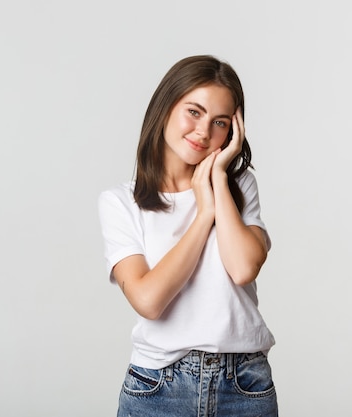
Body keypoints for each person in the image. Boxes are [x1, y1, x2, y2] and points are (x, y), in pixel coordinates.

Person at [98, 55, 278, 416]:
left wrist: (217, 185)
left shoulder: (240, 187)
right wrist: (203, 215)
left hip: (244, 385)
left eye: (220, 122)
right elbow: (148, 300)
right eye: (193, 112)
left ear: (233, 132)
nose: (203, 132)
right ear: (165, 108)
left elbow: (243, 268)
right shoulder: (121, 203)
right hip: (158, 388)